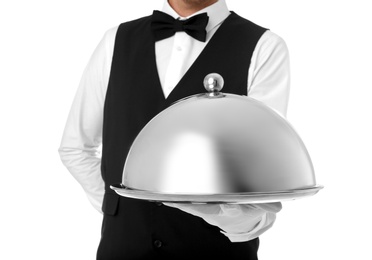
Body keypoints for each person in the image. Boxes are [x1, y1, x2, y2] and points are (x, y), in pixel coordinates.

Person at [58, 0, 290, 259]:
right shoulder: (115, 40)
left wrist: (223, 216)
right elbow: (75, 148)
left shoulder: (264, 46)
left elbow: (262, 175)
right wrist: (117, 207)